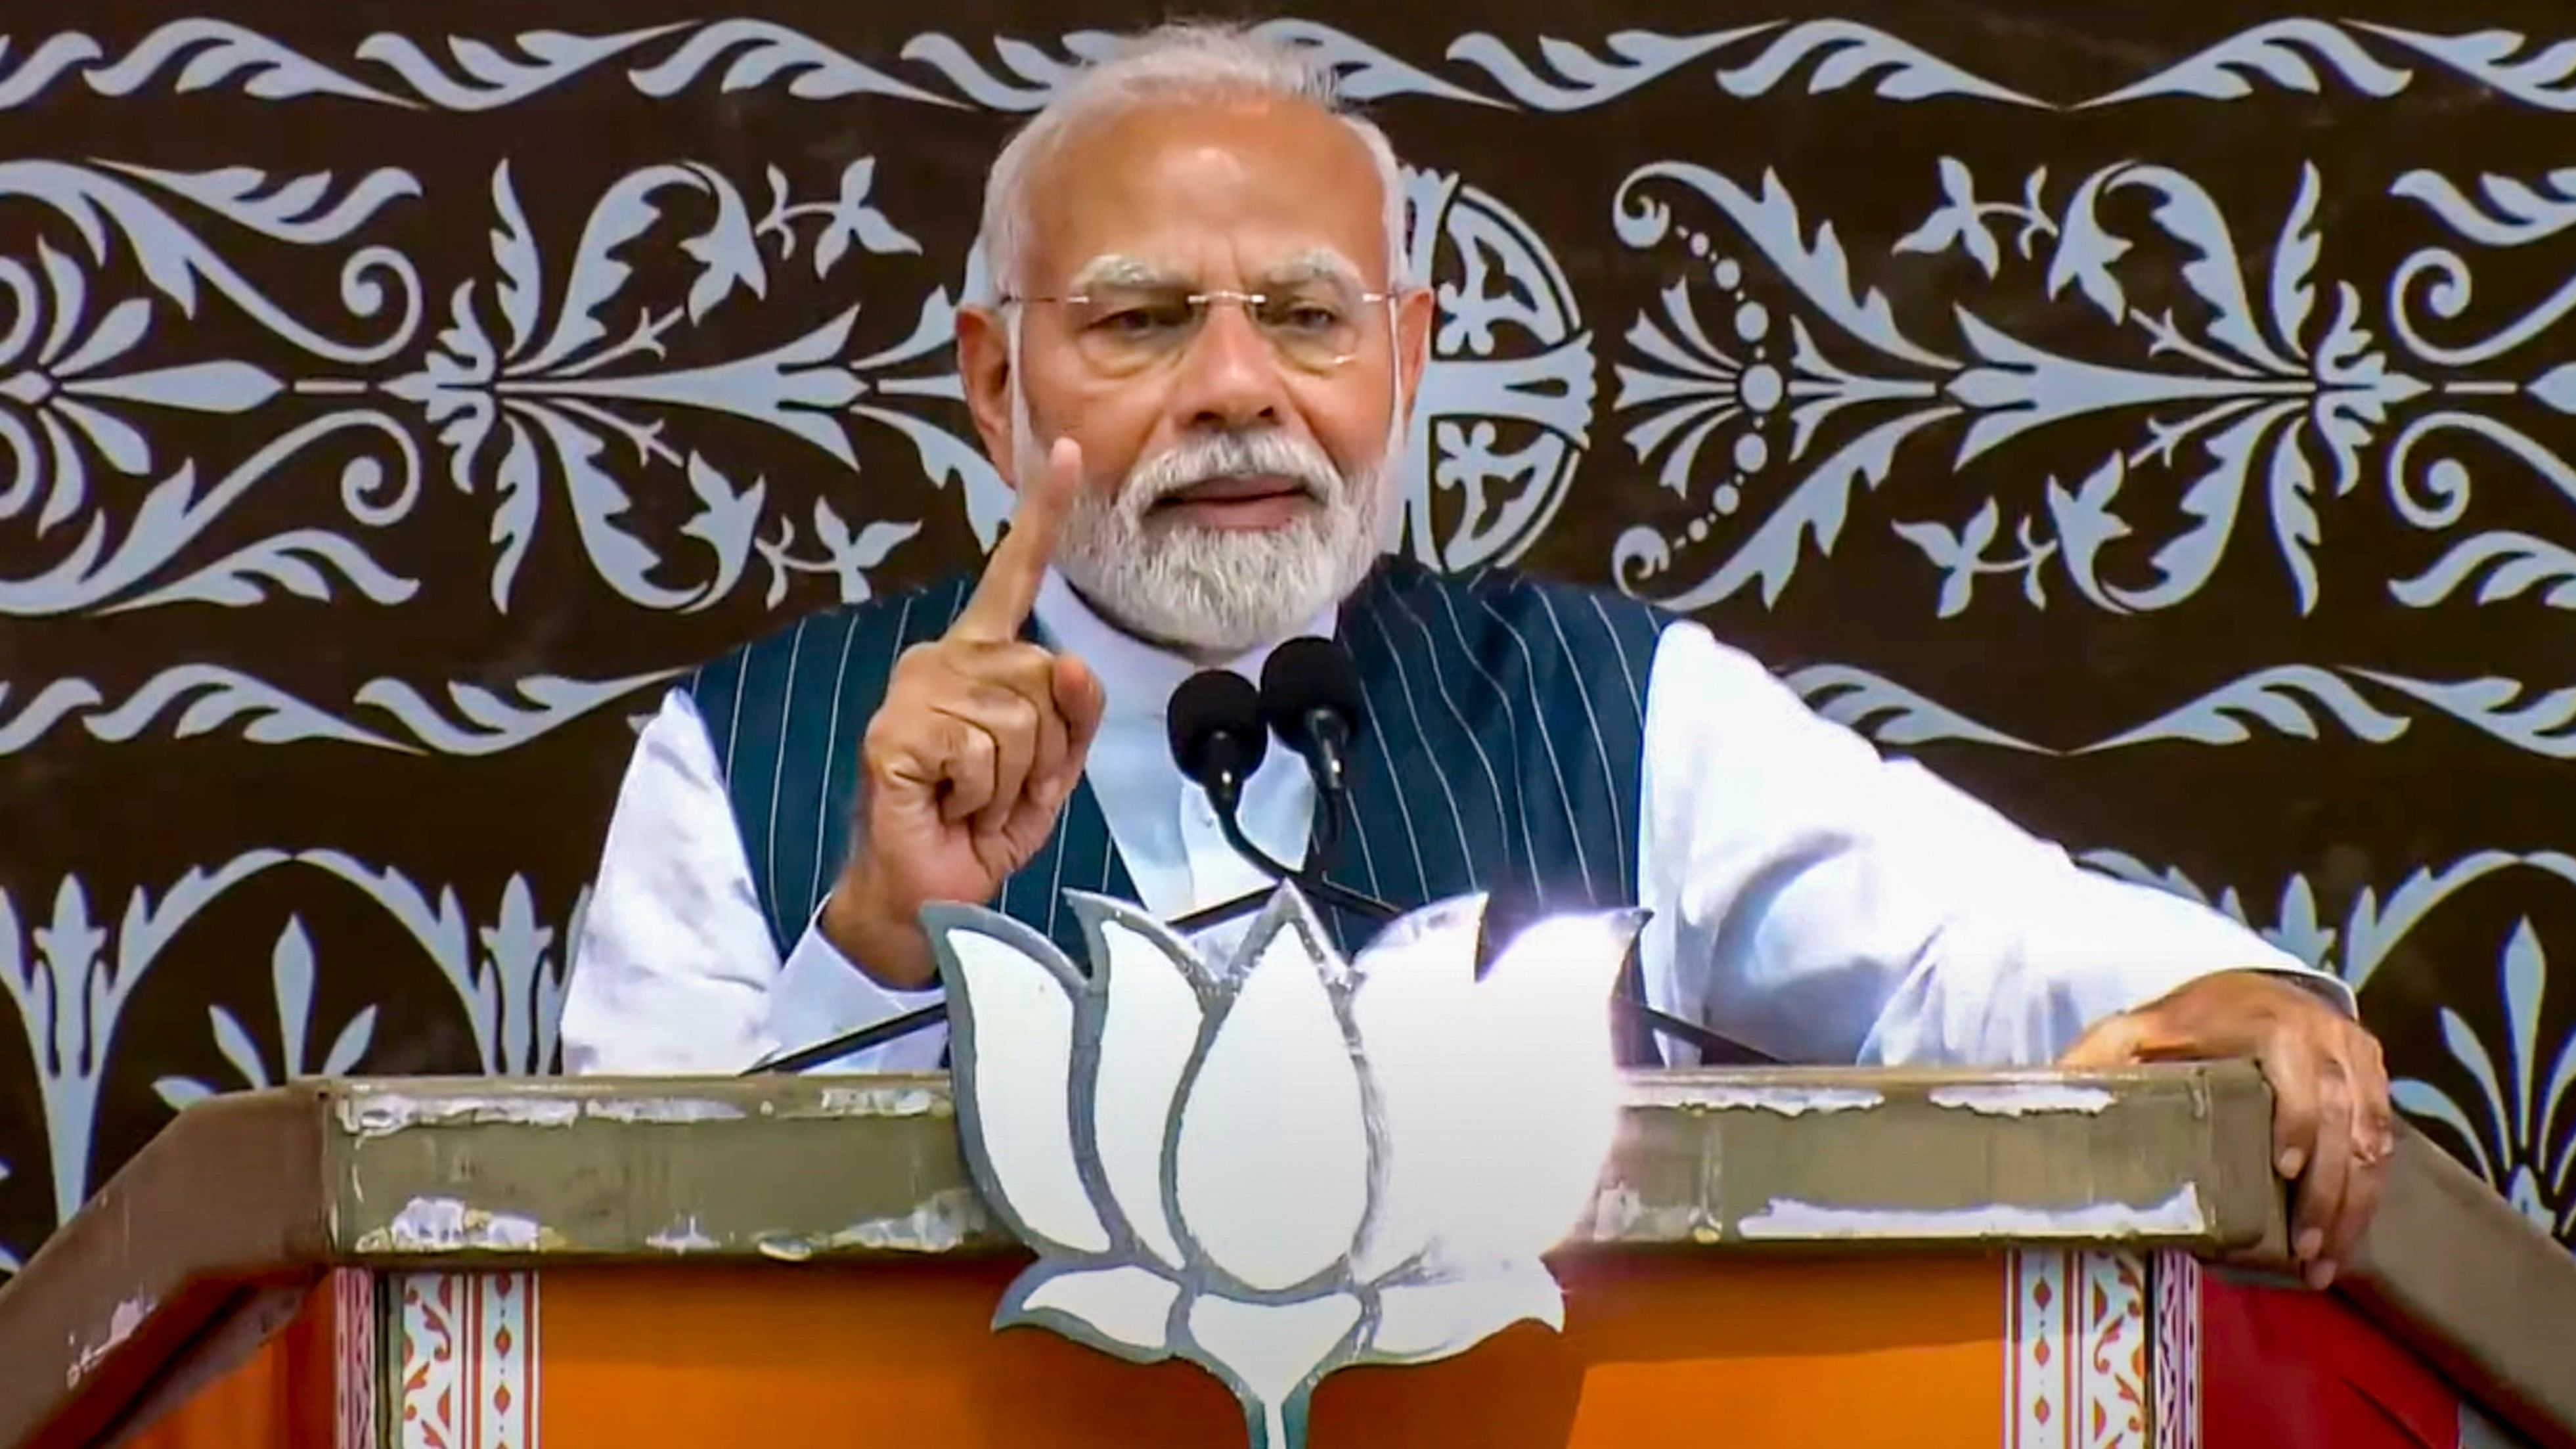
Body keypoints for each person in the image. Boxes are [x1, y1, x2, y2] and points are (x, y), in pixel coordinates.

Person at [558, 22, 2393, 1289]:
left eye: (1302, 317)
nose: (1233, 388)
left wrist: (2236, 995)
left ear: (1407, 359)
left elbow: (1960, 945)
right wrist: (882, 938)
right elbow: (605, 1285)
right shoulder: (748, 755)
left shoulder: (1606, 703)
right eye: (1137, 321)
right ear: (993, 375)